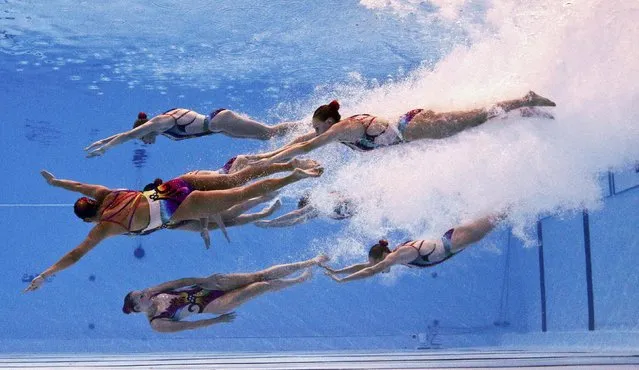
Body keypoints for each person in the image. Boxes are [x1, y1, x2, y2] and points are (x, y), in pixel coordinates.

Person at [24, 163, 322, 292]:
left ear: (90, 219)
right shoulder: (105, 193)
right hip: (171, 186)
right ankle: (289, 166)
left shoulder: (105, 225)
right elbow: (77, 185)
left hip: (175, 208)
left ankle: (294, 177)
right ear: (91, 200)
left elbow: (76, 255)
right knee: (238, 179)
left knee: (240, 197)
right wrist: (55, 182)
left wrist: (45, 274)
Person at [247, 91, 556, 165]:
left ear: (329, 123)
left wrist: (269, 163)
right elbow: (300, 140)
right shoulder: (334, 133)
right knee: (473, 124)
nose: (315, 133)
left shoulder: (340, 131)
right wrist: (261, 158)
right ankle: (522, 112)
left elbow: (304, 147)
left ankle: (523, 101)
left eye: (318, 128)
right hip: (414, 128)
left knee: (475, 117)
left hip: (414, 126)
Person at [122, 255, 328, 332]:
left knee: (259, 275)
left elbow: (183, 282)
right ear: (139, 308)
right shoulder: (157, 323)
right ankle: (300, 279)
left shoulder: (154, 291)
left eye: (142, 292)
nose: (145, 293)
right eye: (141, 297)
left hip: (210, 287)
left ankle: (309, 262)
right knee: (262, 285)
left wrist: (206, 280)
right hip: (215, 305)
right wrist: (217, 321)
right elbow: (189, 325)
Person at [322, 213, 503, 283]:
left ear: (382, 257)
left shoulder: (397, 255)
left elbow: (370, 271)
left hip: (454, 242)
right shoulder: (396, 256)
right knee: (497, 215)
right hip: (452, 241)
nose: (374, 266)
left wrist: (343, 281)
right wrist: (337, 270)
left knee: (499, 215)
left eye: (375, 263)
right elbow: (365, 267)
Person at [84, 108, 300, 157]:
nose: (146, 142)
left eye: (143, 138)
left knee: (269, 133)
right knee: (266, 136)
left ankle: (307, 123)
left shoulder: (161, 122)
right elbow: (128, 134)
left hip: (220, 120)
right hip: (220, 128)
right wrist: (104, 142)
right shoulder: (162, 130)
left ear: (144, 130)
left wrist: (104, 147)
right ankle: (305, 127)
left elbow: (129, 135)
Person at [254, 191, 355, 228]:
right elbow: (294, 221)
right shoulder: (319, 210)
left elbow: (297, 214)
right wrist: (271, 224)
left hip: (350, 204)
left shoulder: (318, 202)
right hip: (353, 207)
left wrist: (271, 222)